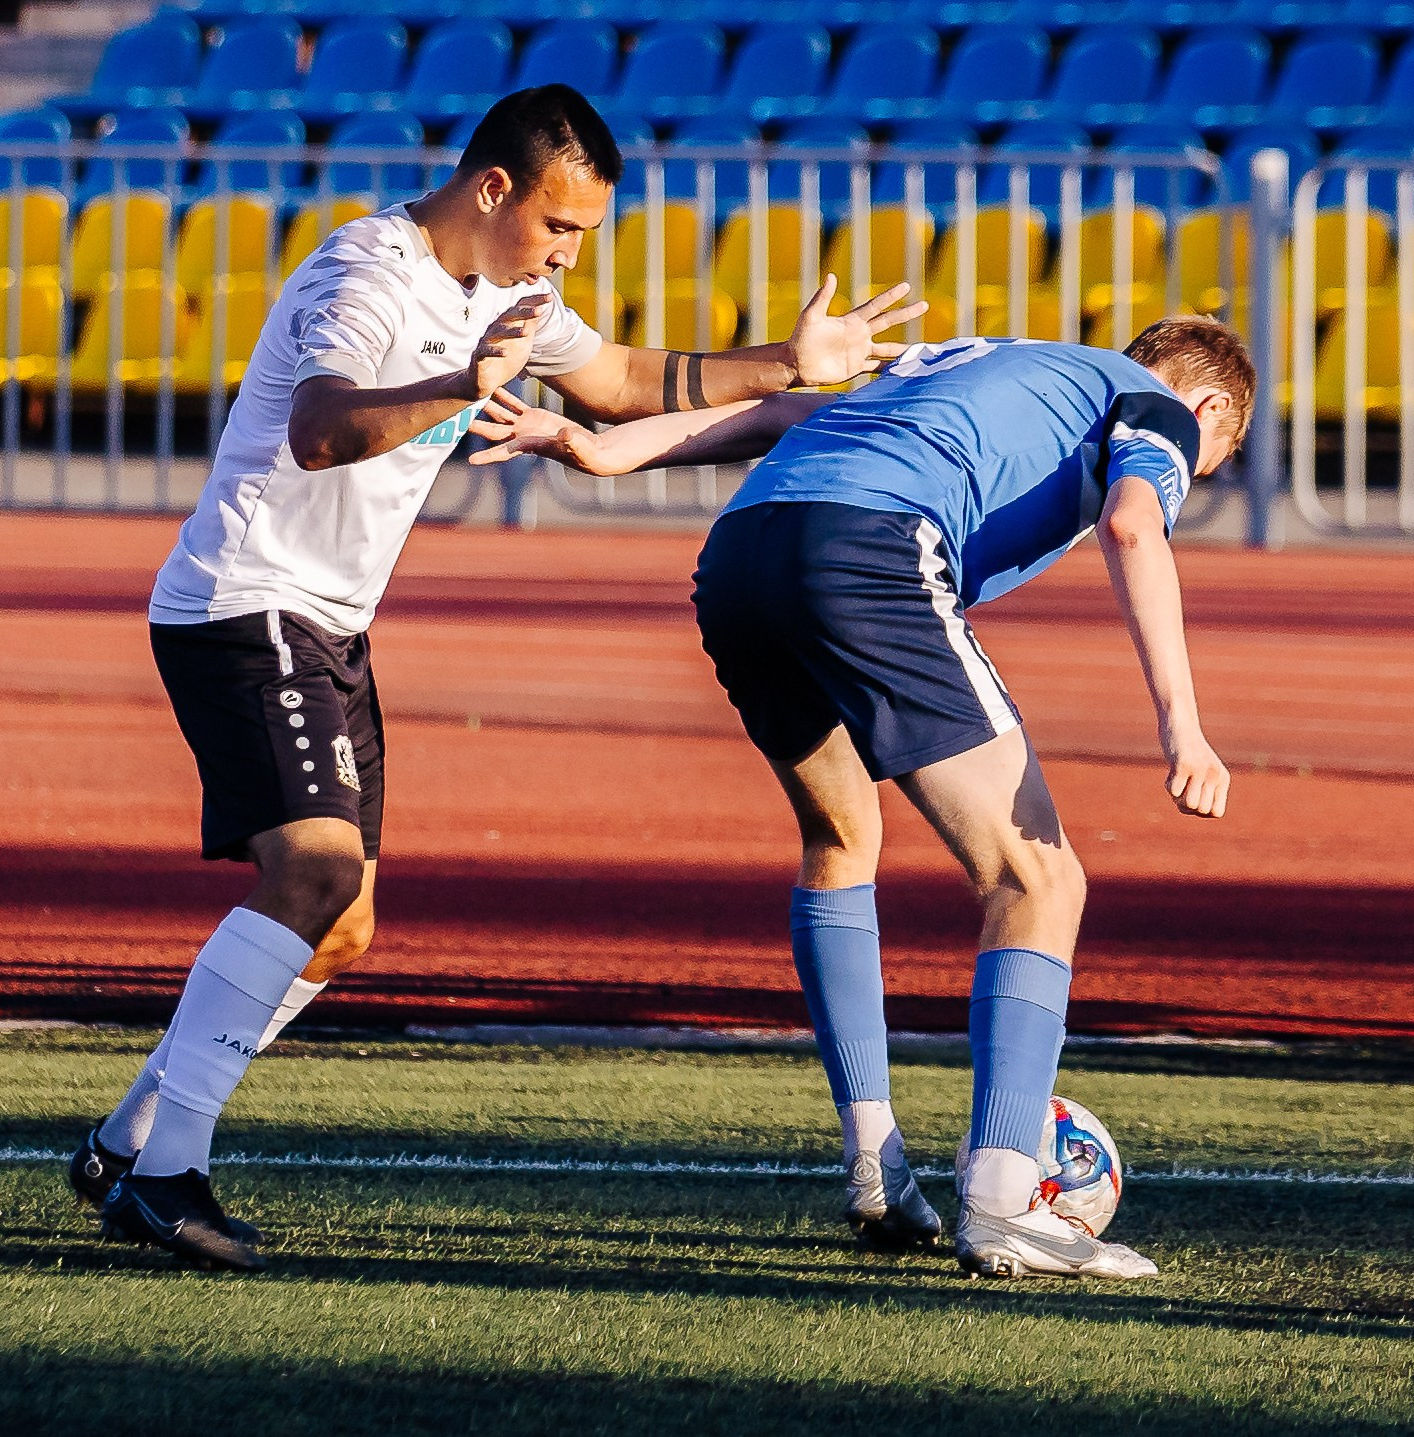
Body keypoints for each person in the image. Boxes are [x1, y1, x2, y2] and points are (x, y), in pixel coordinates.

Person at [70, 84, 927, 1272]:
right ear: (492, 189)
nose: (569, 254)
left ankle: (126, 1142)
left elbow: (622, 380)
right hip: (245, 603)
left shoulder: (514, 289)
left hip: (327, 624)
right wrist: (456, 385)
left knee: (341, 927)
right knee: (313, 875)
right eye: (560, 228)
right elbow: (316, 432)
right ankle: (166, 1180)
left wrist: (791, 361)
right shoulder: (360, 272)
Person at [470, 318, 1252, 1279]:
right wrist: (1182, 723)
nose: (1190, 473)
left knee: (842, 836)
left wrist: (604, 450)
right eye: (1207, 462)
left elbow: (786, 410)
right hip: (870, 550)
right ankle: (1005, 1203)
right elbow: (1134, 521)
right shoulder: (1162, 406)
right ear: (1210, 408)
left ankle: (876, 1166)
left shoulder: (983, 358)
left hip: (744, 553)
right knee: (1038, 879)